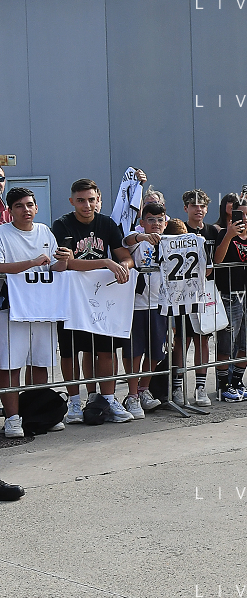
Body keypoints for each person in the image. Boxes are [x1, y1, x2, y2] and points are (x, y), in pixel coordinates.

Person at [52, 179, 136, 424]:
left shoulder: (107, 223)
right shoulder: (62, 224)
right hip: (71, 298)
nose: (87, 205)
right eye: (81, 200)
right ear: (72, 201)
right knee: (70, 351)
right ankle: (74, 402)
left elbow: (125, 256)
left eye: (91, 200)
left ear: (98, 200)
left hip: (101, 297)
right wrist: (105, 262)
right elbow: (67, 262)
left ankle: (108, 399)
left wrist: (123, 267)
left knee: (106, 350)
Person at [0, 187, 69, 437]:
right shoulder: (2, 233)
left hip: (43, 307)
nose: (25, 210)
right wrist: (31, 263)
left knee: (40, 363)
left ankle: (38, 414)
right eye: (19, 206)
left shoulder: (45, 231)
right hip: (13, 309)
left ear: (37, 208)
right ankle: (12, 418)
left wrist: (64, 260)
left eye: (29, 205)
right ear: (10, 210)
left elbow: (56, 267)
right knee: (10, 365)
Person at [212, 195, 247, 402]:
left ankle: (237, 382)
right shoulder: (223, 233)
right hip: (227, 295)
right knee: (226, 344)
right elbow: (217, 260)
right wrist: (229, 235)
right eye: (240, 214)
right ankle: (222, 386)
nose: (245, 218)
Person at [121, 201, 169, 419]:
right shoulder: (138, 241)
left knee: (156, 351)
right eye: (151, 220)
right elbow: (127, 240)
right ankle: (132, 395)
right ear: (143, 222)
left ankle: (143, 389)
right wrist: (143, 236)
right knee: (134, 352)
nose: (156, 224)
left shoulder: (170, 242)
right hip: (137, 305)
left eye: (160, 220)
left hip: (160, 304)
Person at [172, 189, 220, 407]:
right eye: (194, 206)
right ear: (186, 208)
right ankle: (177, 386)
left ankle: (201, 387)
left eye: (202, 206)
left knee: (203, 339)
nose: (198, 209)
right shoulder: (178, 231)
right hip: (182, 294)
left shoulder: (212, 231)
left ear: (207, 209)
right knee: (182, 340)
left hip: (205, 293)